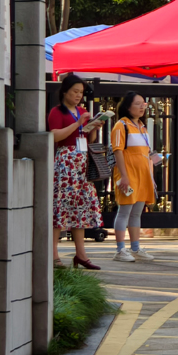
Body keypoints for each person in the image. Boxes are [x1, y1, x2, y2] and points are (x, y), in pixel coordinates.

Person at [48, 75, 105, 270]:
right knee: (60, 207)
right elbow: (55, 135)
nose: (79, 96)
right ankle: (54, 254)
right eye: (75, 92)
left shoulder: (82, 112)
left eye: (81, 92)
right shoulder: (57, 111)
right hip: (66, 162)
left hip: (82, 162)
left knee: (80, 209)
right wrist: (78, 123)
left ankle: (81, 254)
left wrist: (93, 127)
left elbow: (87, 138)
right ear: (65, 91)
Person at [111, 92, 157, 263]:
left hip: (142, 176)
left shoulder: (142, 127)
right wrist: (124, 176)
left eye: (143, 104)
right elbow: (118, 151)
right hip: (128, 176)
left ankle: (135, 248)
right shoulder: (121, 125)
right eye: (138, 104)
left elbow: (147, 153)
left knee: (137, 212)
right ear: (127, 106)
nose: (142, 107)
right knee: (124, 211)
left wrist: (150, 177)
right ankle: (120, 249)